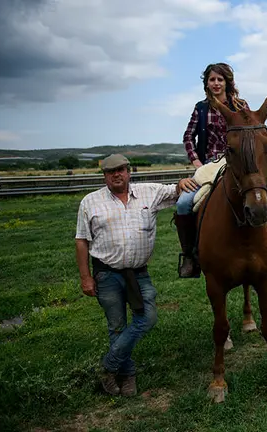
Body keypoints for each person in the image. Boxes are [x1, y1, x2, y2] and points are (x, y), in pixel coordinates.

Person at [75, 154, 195, 396]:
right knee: (117, 326)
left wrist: (182, 182)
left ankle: (108, 366)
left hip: (139, 273)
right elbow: (81, 241)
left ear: (129, 172)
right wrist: (86, 277)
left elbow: (177, 190)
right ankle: (127, 376)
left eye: (121, 169)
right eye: (111, 172)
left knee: (147, 318)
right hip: (106, 274)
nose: (116, 174)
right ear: (105, 176)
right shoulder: (90, 202)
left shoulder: (149, 192)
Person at [175, 62, 267, 278]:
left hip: (239, 163)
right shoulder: (201, 108)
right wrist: (197, 162)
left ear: (228, 82)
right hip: (209, 164)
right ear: (207, 84)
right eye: (212, 79)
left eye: (220, 79)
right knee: (183, 203)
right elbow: (188, 137)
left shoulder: (241, 105)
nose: (216, 83)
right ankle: (190, 256)